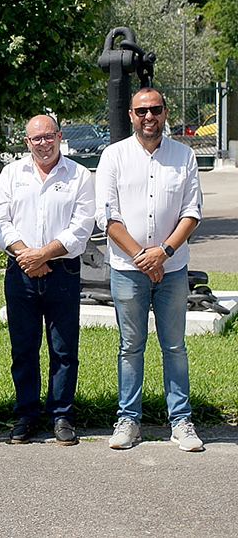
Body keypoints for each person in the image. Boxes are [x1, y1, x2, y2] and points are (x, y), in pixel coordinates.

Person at [95, 88, 204, 452]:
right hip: (128, 269)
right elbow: (107, 216)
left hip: (172, 269)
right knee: (130, 346)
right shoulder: (114, 156)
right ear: (130, 115)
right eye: (141, 110)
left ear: (164, 111)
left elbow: (192, 211)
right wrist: (144, 256)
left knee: (174, 346)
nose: (148, 116)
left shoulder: (184, 156)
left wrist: (164, 252)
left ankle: (181, 422)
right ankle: (128, 420)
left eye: (155, 109)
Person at [0, 115, 95, 445]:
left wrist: (44, 255)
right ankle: (26, 415)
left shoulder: (79, 175)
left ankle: (61, 414)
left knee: (63, 348)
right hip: (20, 270)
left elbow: (81, 226)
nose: (43, 143)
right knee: (23, 348)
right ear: (27, 142)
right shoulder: (12, 174)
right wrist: (26, 255)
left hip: (62, 271)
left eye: (49, 136)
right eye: (36, 139)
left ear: (60, 136)